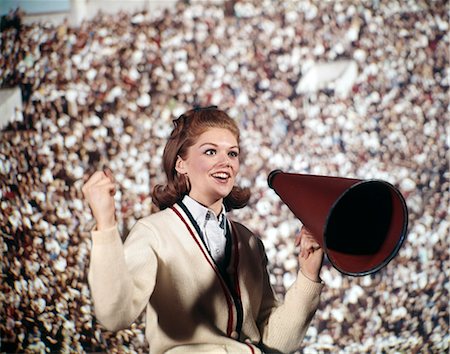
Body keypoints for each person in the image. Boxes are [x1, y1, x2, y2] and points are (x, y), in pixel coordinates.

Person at [82, 106, 324, 354]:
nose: (225, 162)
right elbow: (114, 316)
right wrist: (106, 225)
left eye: (232, 154)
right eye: (210, 151)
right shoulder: (154, 232)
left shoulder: (249, 241)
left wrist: (308, 275)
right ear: (181, 164)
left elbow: (275, 343)